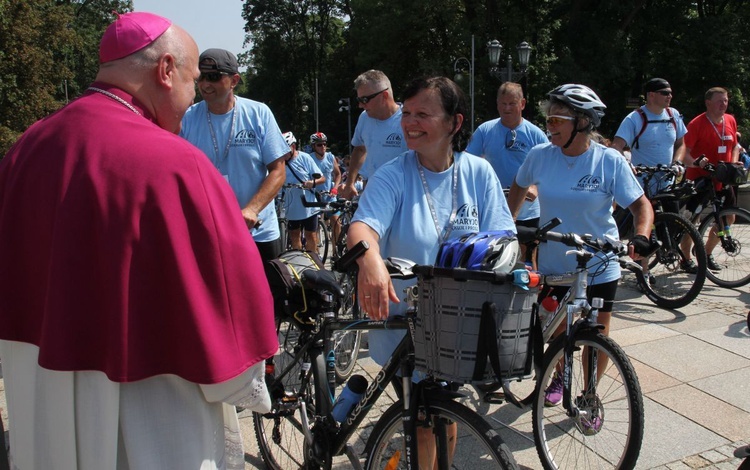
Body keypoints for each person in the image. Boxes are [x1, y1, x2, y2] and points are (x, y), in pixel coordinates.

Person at [0, 12, 278, 469]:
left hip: (40, 398)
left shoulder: (25, 150)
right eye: (191, 82)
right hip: (151, 406)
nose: (193, 99)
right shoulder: (175, 164)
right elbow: (231, 301)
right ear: (165, 70)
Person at [348, 76, 516, 465]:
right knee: (423, 416)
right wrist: (370, 260)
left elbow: (505, 236)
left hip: (460, 319)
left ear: (454, 124)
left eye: (423, 114)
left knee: (445, 409)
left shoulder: (478, 173)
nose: (410, 122)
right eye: (406, 113)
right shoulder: (394, 173)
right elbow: (364, 226)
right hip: (405, 320)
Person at [507, 84, 654, 429]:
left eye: (558, 119)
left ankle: (589, 393)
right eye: (548, 118)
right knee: (557, 333)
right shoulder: (540, 155)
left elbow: (641, 205)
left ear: (583, 122)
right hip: (556, 265)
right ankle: (559, 373)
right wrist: (506, 227)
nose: (550, 125)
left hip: (599, 265)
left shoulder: (608, 160)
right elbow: (517, 188)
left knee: (595, 336)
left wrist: (643, 236)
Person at [181, 48, 289, 262]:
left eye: (213, 77)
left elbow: (278, 171)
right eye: (201, 77)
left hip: (258, 231)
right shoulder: (187, 118)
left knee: (265, 295)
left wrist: (252, 209)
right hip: (208, 231)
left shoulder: (259, 113)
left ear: (234, 80)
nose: (205, 84)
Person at [612, 77, 690, 276]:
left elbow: (681, 144)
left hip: (667, 179)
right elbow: (616, 147)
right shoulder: (635, 118)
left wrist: (678, 163)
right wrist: (628, 165)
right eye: (665, 93)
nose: (670, 96)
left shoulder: (673, 115)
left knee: (674, 222)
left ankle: (668, 250)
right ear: (651, 95)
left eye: (671, 93)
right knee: (643, 225)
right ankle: (643, 270)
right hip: (642, 181)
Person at [465, 81, 548, 262]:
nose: (507, 108)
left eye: (512, 103)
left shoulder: (535, 134)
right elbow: (467, 162)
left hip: (528, 210)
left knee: (528, 258)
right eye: (502, 104)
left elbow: (549, 169)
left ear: (522, 104)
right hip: (494, 206)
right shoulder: (485, 130)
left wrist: (535, 186)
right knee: (496, 257)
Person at [680, 87, 740, 271]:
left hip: (723, 178)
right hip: (700, 179)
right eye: (719, 101)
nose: (724, 104)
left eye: (726, 101)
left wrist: (734, 164)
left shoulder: (730, 120)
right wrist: (698, 164)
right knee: (691, 221)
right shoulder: (697, 124)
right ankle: (686, 258)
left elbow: (736, 146)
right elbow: (685, 153)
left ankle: (705, 253)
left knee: (728, 217)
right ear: (708, 103)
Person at [339, 70, 408, 199]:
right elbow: (359, 149)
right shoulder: (365, 117)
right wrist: (350, 183)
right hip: (372, 192)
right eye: (358, 100)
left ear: (384, 96)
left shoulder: (408, 120)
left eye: (364, 99)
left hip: (403, 196)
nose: (360, 105)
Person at [282, 131, 326, 252]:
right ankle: (300, 262)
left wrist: (312, 183)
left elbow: (322, 178)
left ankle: (313, 261)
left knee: (311, 236)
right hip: (291, 205)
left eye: (286, 149)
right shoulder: (280, 161)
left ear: (293, 146)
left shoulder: (304, 158)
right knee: (294, 235)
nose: (284, 152)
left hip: (308, 205)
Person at [309, 131, 343, 247]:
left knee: (337, 222)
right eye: (319, 144)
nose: (323, 147)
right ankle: (316, 250)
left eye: (324, 144)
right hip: (314, 196)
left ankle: (336, 250)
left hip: (329, 195)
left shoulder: (330, 157)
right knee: (314, 227)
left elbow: (338, 174)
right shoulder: (309, 159)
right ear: (313, 146)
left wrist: (335, 188)